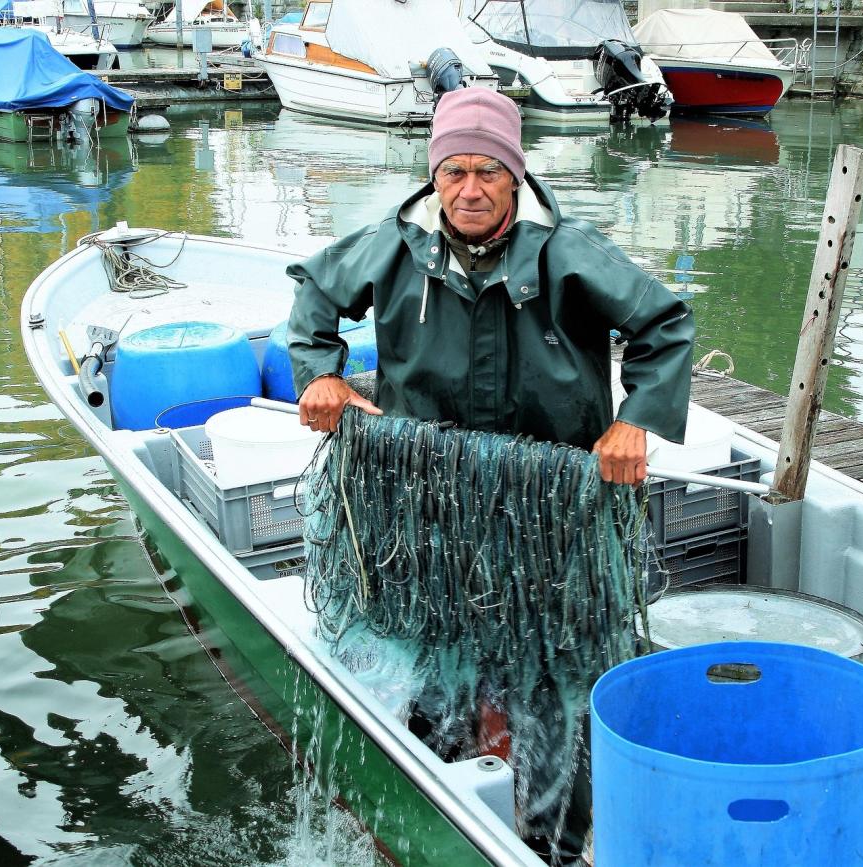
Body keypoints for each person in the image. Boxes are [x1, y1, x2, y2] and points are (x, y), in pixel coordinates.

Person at [284, 87, 695, 862]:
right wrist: (320, 374)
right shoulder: (396, 245)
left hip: (554, 511)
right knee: (438, 657)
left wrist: (636, 418)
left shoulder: (567, 251)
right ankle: (441, 804)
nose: (469, 191)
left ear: (516, 175)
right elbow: (313, 294)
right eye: (453, 172)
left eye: (487, 173)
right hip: (426, 501)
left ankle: (553, 845)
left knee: (555, 673)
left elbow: (664, 325)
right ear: (434, 175)